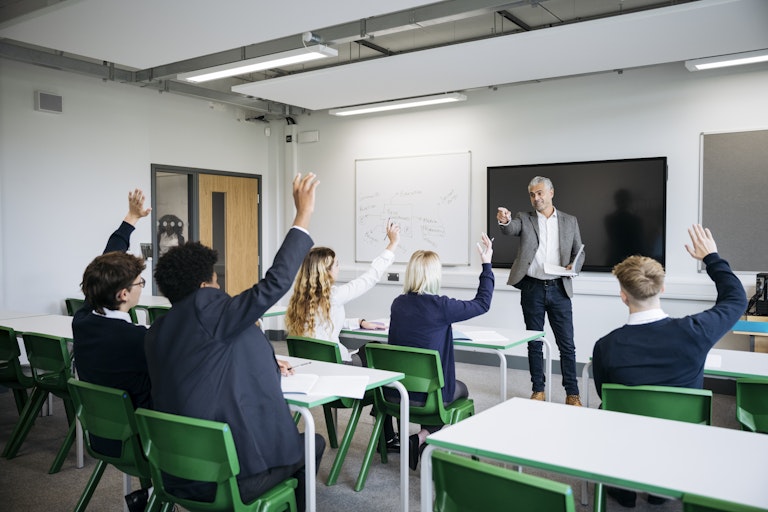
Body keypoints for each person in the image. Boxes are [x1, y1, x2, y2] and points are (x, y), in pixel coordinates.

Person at [145, 173, 323, 512]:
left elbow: (208, 365)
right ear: (204, 284)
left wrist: (271, 362)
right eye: (216, 278)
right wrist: (303, 215)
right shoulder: (209, 310)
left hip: (176, 471)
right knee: (311, 444)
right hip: (227, 477)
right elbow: (274, 283)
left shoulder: (158, 330)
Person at [591, 224, 746, 508]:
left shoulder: (606, 346)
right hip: (681, 436)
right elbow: (736, 299)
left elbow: (605, 395)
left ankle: (623, 488)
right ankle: (662, 485)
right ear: (662, 288)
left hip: (627, 436)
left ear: (623, 295)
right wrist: (712, 257)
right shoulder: (696, 331)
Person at [72, 188, 152, 511]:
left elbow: (103, 266)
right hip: (143, 445)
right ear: (122, 295)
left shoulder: (82, 321)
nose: (141, 287)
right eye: (138, 283)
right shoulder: (137, 340)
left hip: (103, 437)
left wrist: (130, 220)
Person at [386, 233, 494, 471]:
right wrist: (486, 264)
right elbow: (483, 303)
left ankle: (414, 437)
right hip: (427, 399)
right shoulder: (441, 306)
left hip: (395, 395)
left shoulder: (398, 303)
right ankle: (423, 436)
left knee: (431, 385)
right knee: (460, 389)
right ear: (435, 275)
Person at [497, 176, 584, 405]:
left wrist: (574, 266)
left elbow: (579, 251)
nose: (536, 198)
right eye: (533, 195)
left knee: (567, 344)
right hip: (532, 288)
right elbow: (510, 230)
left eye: (540, 193)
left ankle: (572, 393)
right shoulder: (523, 219)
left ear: (551, 193)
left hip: (560, 289)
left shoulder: (569, 221)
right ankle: (538, 390)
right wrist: (504, 221)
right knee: (534, 342)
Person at [285, 219, 400, 366]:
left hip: (309, 365)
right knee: (374, 347)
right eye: (337, 264)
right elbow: (370, 278)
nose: (339, 268)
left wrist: (359, 322)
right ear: (325, 272)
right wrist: (392, 244)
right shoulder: (333, 296)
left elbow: (324, 322)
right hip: (337, 365)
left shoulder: (300, 299)